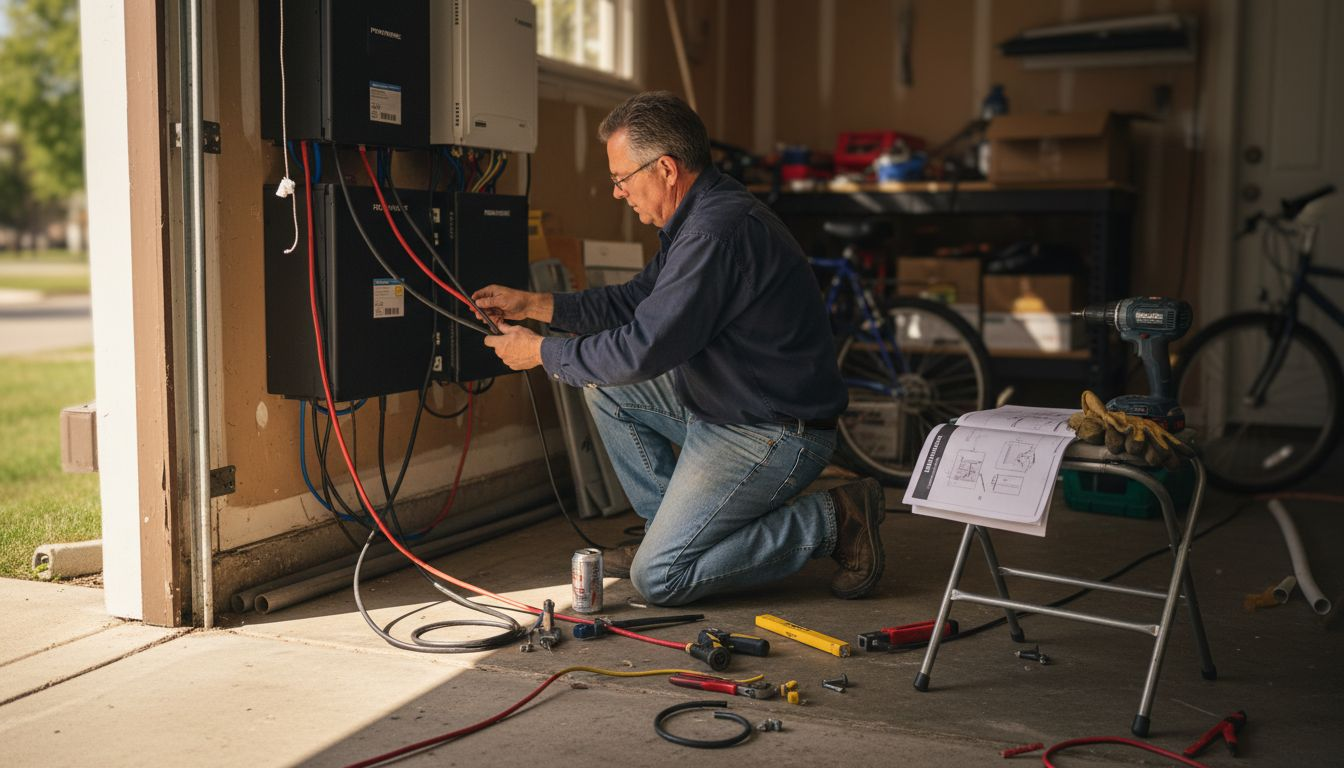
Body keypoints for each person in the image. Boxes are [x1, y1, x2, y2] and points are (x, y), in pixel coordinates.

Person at [472, 91, 885, 606]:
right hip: (726, 405)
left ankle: (835, 519)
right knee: (605, 387)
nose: (618, 193)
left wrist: (541, 354)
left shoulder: (714, 231)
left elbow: (644, 348)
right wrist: (535, 304)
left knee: (660, 579)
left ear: (665, 169)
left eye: (621, 179)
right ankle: (667, 528)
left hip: (771, 430)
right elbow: (636, 302)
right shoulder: (699, 215)